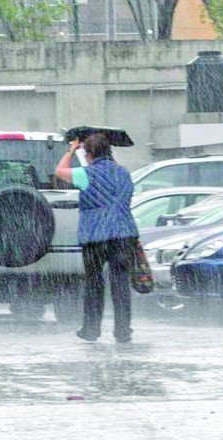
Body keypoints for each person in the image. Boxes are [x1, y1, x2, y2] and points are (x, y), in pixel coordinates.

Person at [55, 133, 139, 343]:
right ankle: (123, 331)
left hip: (95, 236)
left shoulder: (86, 174)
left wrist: (71, 150)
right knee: (120, 284)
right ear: (109, 152)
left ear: (89, 154)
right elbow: (114, 173)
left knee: (94, 283)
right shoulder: (124, 173)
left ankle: (91, 330)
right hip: (123, 234)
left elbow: (59, 172)